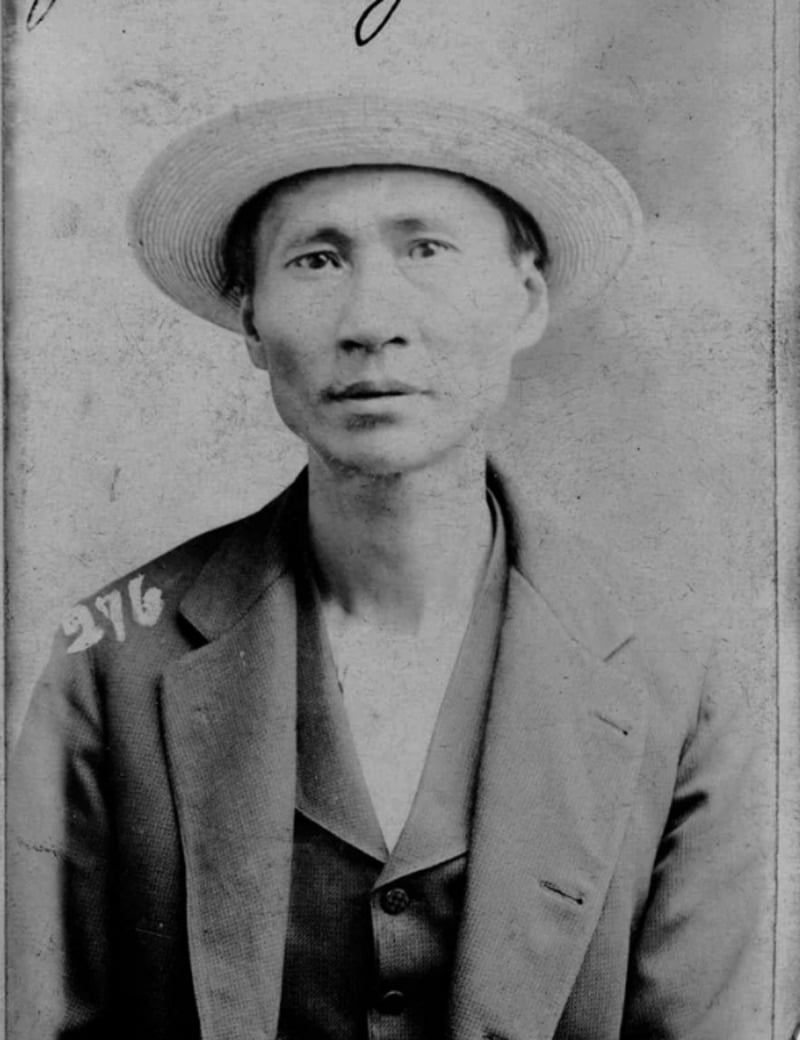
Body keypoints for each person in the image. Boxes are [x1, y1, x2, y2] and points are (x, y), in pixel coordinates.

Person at [7, 87, 761, 1040]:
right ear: (250, 321)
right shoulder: (109, 661)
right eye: (316, 259)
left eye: (426, 251)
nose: (372, 319)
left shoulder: (676, 675)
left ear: (525, 301)